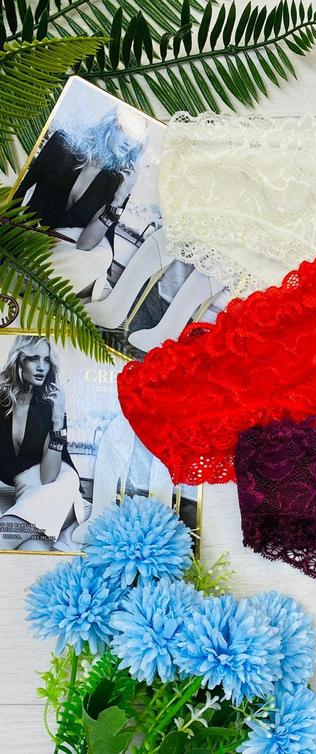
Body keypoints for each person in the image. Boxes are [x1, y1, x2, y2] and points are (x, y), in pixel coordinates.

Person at [14, 108, 147, 297]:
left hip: (78, 244)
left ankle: (27, 291)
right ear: (111, 125)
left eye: (137, 139)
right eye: (127, 131)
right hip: (39, 230)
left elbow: (85, 244)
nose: (130, 143)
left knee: (95, 259)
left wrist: (119, 198)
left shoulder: (121, 182)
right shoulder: (63, 143)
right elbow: (24, 185)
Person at [0, 337, 89, 551]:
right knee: (33, 550)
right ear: (19, 361)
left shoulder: (50, 405)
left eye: (46, 360)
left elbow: (48, 477)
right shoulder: (2, 404)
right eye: (33, 359)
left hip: (59, 484)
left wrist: (58, 420)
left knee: (3, 536)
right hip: (28, 492)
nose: (41, 367)